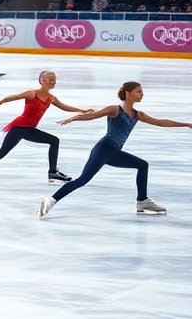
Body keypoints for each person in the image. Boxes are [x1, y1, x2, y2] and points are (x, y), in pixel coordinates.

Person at [38, 81, 190, 218]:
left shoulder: (137, 114)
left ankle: (142, 201)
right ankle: (51, 200)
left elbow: (161, 122)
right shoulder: (115, 109)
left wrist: (185, 124)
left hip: (114, 153)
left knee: (142, 165)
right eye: (138, 91)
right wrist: (75, 117)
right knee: (83, 180)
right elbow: (93, 115)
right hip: (103, 150)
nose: (142, 94)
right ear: (128, 93)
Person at [0, 70, 90, 187]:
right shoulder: (32, 94)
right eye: (50, 79)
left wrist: (82, 110)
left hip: (30, 130)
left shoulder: (51, 98)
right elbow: (14, 97)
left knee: (54, 141)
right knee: (1, 153)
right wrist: (0, 102)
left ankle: (52, 172)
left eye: (55, 80)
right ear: (42, 81)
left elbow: (63, 106)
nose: (54, 82)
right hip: (19, 128)